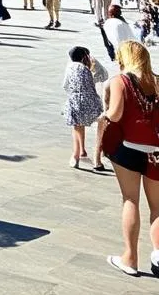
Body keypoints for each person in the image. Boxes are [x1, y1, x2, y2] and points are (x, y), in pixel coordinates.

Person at [101, 40, 159, 277]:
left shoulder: (119, 80)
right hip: (156, 150)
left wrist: (102, 114)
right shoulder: (156, 80)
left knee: (130, 200)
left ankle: (130, 258)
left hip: (128, 148)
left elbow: (115, 115)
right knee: (157, 206)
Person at [63, 45, 104, 170]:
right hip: (92, 103)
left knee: (76, 125)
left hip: (75, 102)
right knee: (96, 122)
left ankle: (77, 154)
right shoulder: (87, 69)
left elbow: (65, 85)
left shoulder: (70, 67)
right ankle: (92, 156)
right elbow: (103, 76)